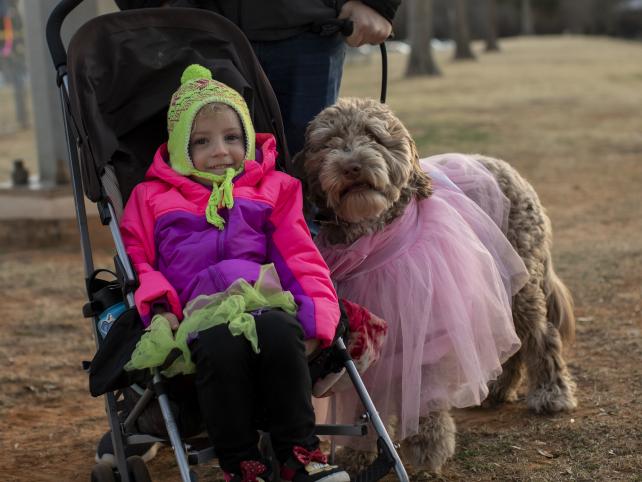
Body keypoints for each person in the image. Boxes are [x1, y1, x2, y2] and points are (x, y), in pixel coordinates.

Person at [114, 64, 350, 482]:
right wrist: (160, 309)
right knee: (219, 349)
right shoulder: (151, 198)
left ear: (247, 138)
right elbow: (140, 263)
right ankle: (242, 465)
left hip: (266, 299)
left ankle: (300, 455)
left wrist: (317, 316)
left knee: (281, 334)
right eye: (201, 141)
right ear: (177, 147)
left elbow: (299, 256)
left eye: (232, 137)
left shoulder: (273, 188)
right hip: (197, 310)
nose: (220, 151)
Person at [114, 0, 400, 157]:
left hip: (308, 27)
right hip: (195, 25)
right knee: (204, 166)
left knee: (308, 178)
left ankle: (306, 262)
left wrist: (377, 3)